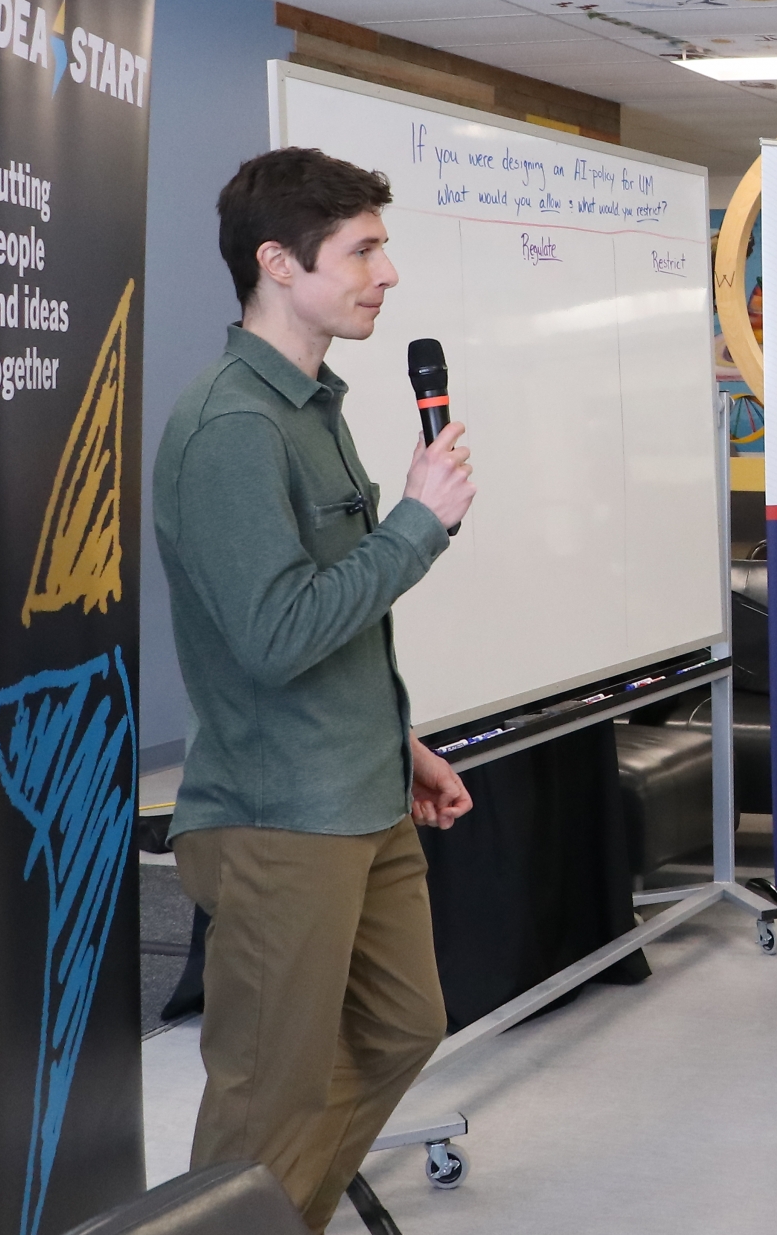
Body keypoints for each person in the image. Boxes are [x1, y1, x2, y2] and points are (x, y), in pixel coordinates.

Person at [155, 147, 479, 1232]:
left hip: (359, 792)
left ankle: (275, 1217)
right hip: (278, 818)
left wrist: (400, 744)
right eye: (363, 250)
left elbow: (330, 616)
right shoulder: (233, 428)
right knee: (265, 1100)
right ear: (279, 263)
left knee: (400, 1025)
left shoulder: (310, 404)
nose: (387, 273)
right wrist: (417, 525)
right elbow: (276, 633)